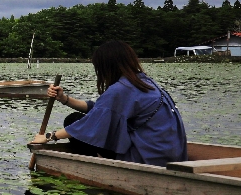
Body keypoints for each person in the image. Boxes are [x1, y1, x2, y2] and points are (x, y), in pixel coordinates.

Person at [31, 40, 187, 166]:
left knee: (73, 120)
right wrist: (64, 99)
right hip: (172, 153)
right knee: (81, 121)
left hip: (147, 157)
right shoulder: (144, 82)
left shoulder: (121, 89)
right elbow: (100, 109)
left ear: (106, 66)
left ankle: (100, 164)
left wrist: (49, 137)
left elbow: (90, 123)